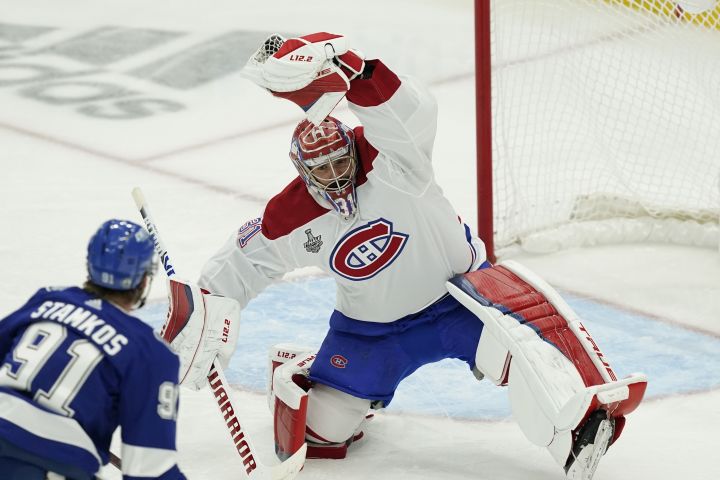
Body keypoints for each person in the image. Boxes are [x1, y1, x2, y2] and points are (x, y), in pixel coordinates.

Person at [170, 33, 646, 480]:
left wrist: (357, 71)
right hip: (372, 334)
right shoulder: (292, 215)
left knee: (521, 358)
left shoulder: (395, 160)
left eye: (341, 161)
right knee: (324, 434)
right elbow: (243, 260)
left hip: (462, 300)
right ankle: (301, 374)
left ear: (354, 150)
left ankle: (575, 438)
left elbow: (410, 112)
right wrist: (207, 308)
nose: (335, 174)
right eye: (321, 168)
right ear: (301, 170)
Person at [0, 219, 186, 480]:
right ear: (144, 280)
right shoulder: (150, 352)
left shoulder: (48, 299)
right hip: (51, 466)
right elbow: (150, 471)